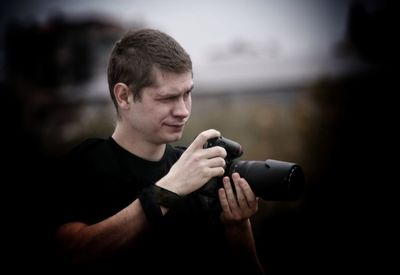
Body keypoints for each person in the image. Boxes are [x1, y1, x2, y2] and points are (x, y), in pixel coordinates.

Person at [52, 28, 265, 274]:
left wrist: (237, 226)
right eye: (167, 98)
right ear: (124, 96)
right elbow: (71, 256)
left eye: (187, 94)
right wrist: (168, 192)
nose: (183, 110)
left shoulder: (200, 173)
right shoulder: (86, 164)